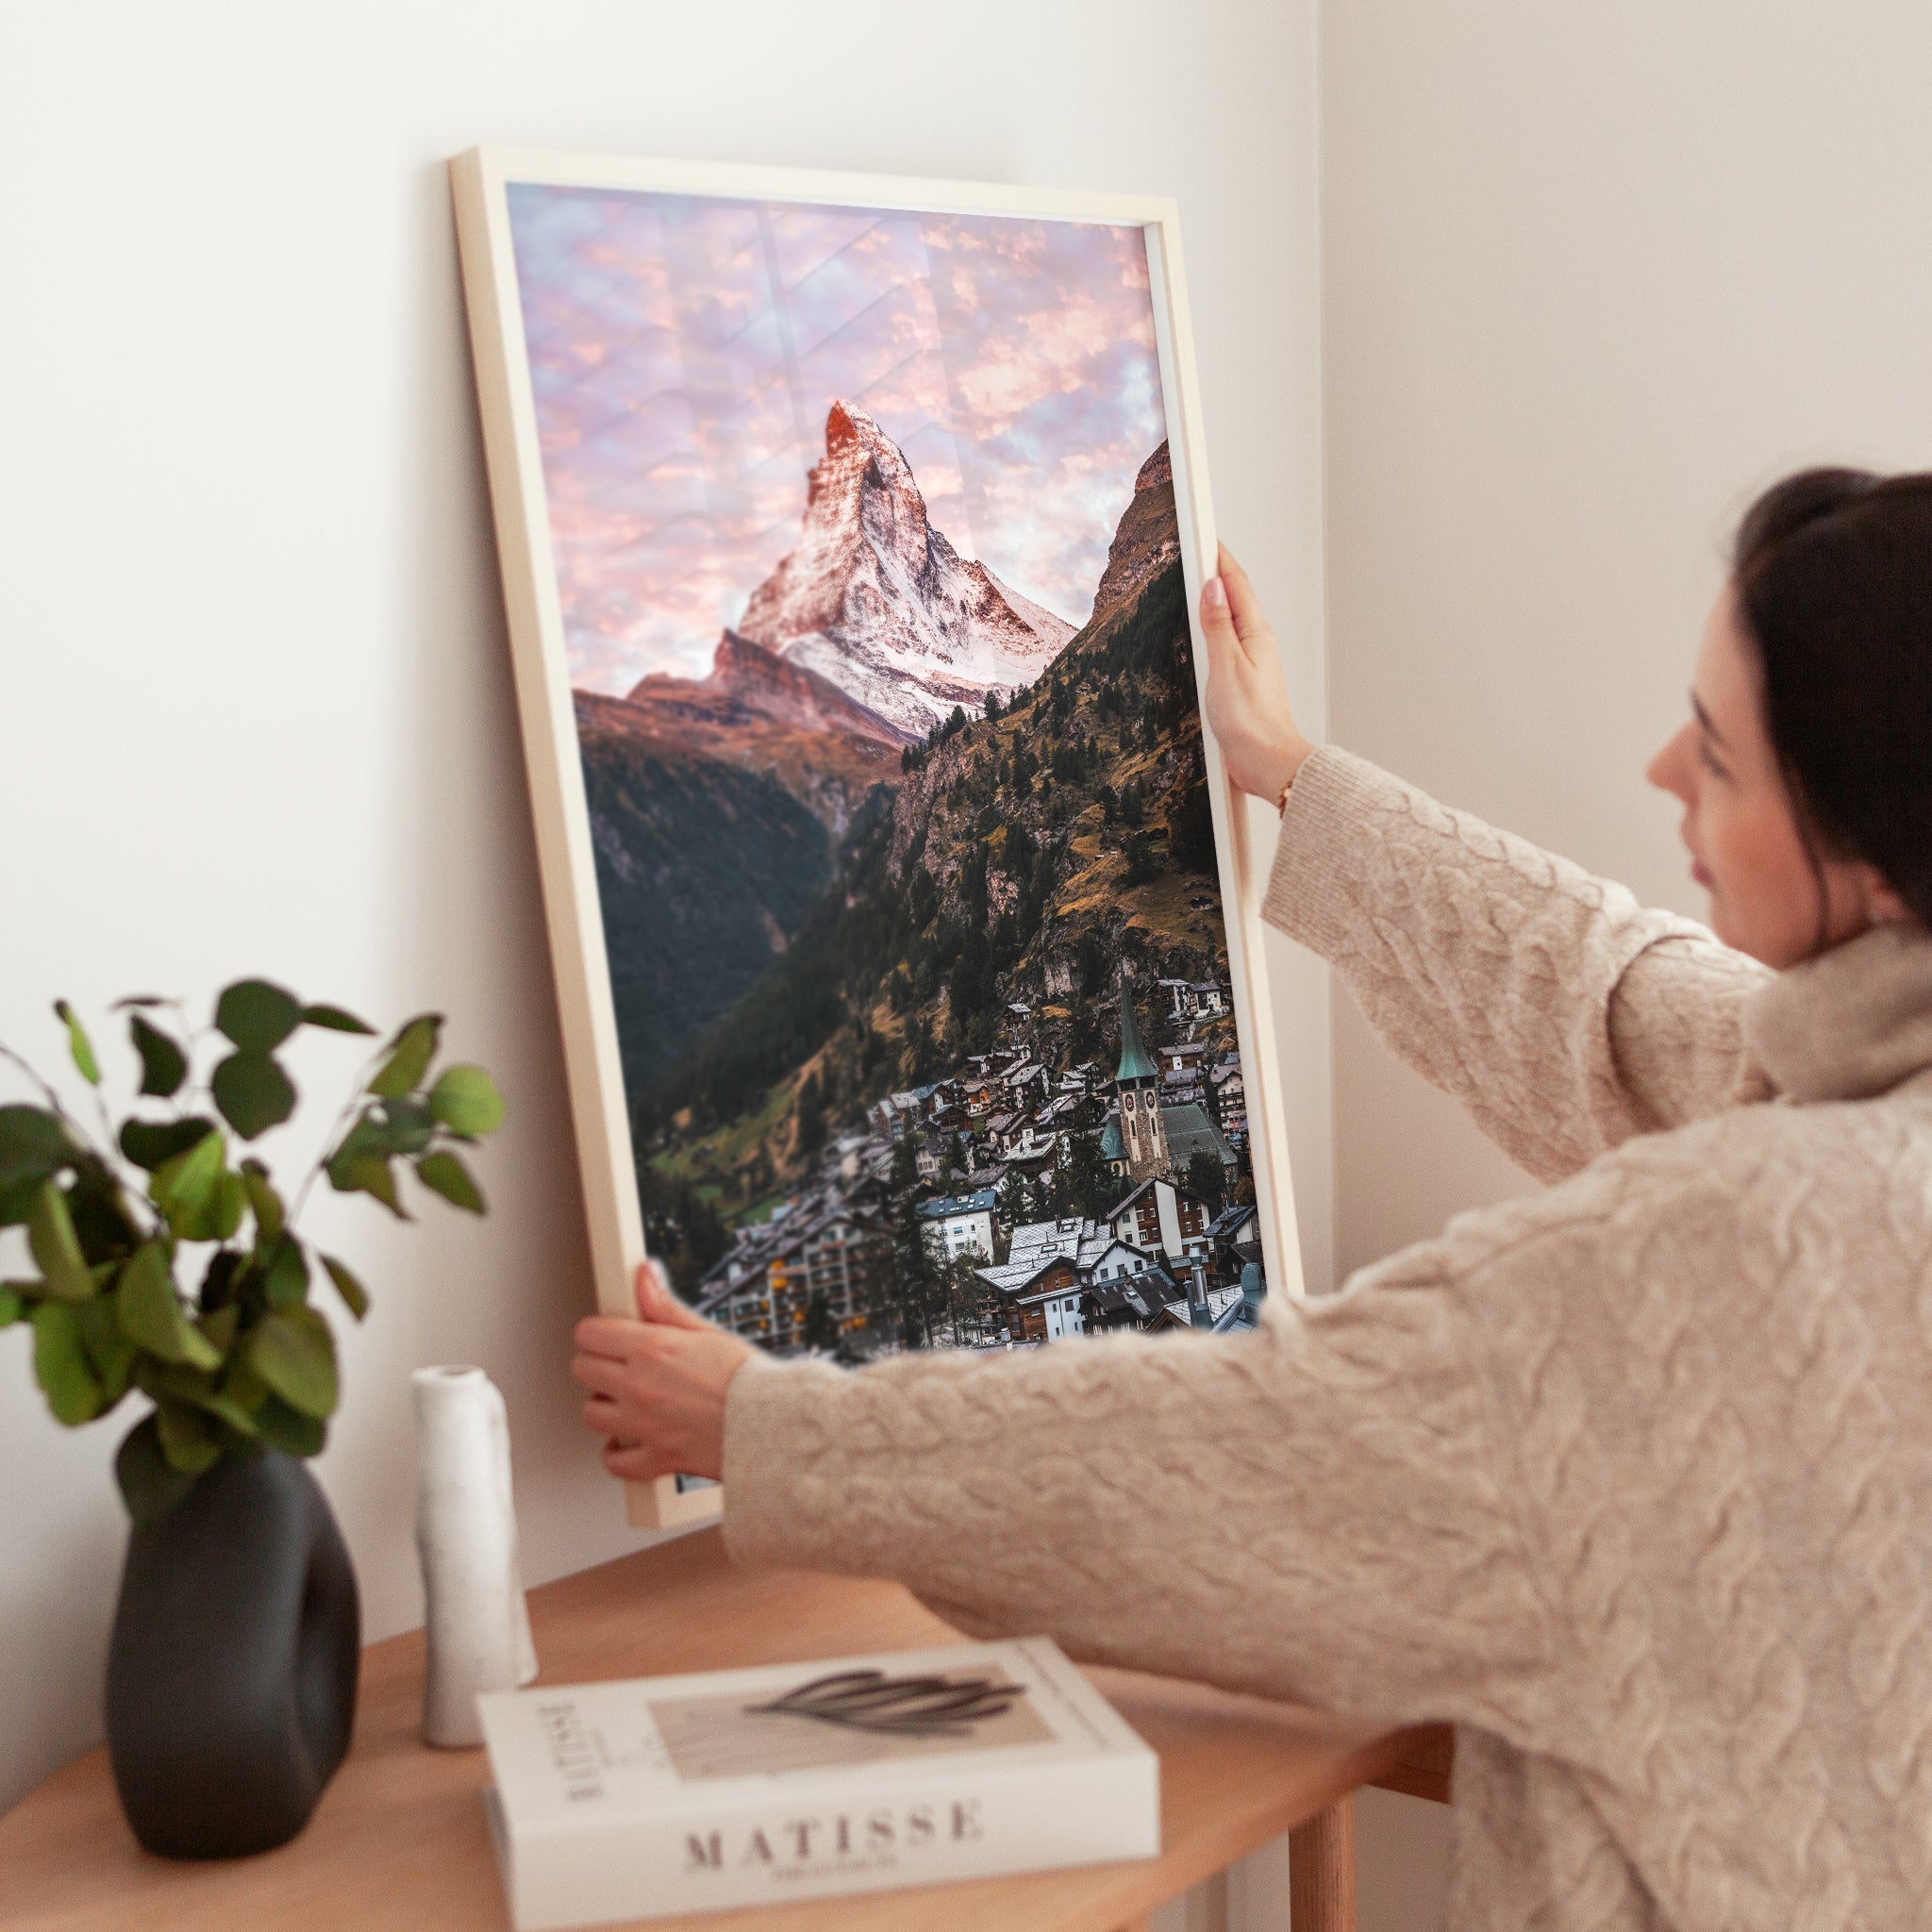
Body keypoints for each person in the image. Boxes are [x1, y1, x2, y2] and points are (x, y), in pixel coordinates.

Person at [573, 468, 1932, 1928]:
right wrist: (1291, 774)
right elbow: (1614, 1000)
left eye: (1721, 758)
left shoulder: (1715, 1265)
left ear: (1870, 854)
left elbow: (1236, 1456)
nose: (1666, 769)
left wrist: (761, 1428)